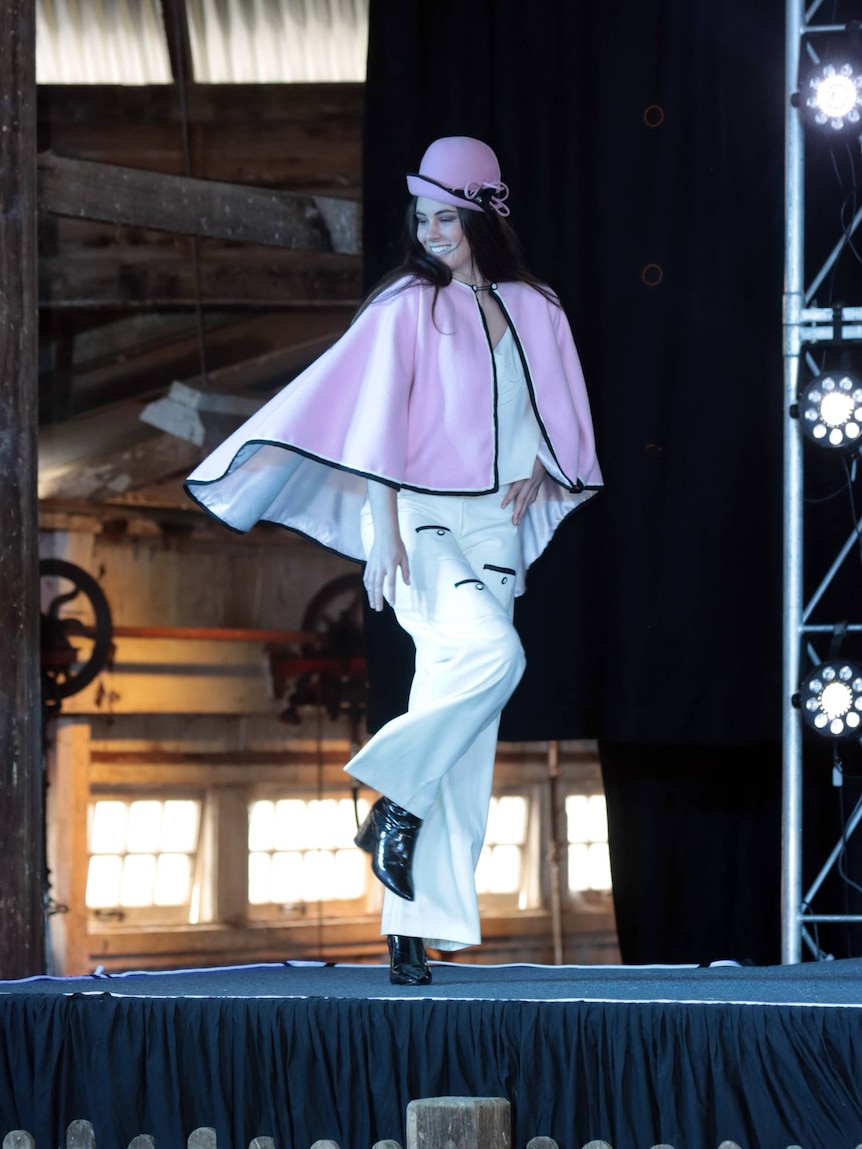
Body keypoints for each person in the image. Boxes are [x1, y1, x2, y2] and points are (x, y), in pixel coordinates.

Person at [185, 136, 602, 985]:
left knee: (466, 732)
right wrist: (385, 532)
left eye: (448, 216)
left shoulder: (537, 308)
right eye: (425, 217)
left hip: (492, 531)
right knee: (497, 656)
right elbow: (374, 418)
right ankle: (393, 797)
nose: (434, 231)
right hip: (419, 522)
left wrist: (542, 461)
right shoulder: (405, 306)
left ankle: (407, 931)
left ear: (484, 214)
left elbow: (557, 411)